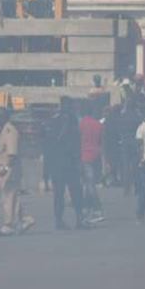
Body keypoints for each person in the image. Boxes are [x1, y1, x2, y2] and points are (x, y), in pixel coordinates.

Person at [46, 97, 87, 230]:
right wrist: (79, 161)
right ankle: (79, 219)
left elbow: (48, 144)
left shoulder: (53, 120)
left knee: (59, 194)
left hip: (57, 164)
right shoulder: (72, 120)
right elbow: (75, 143)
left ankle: (59, 221)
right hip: (70, 163)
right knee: (76, 192)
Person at [0, 107, 34, 235]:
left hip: (8, 170)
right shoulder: (6, 129)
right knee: (12, 197)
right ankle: (23, 220)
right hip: (6, 169)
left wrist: (5, 169)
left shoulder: (10, 131)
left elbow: (12, 153)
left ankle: (9, 224)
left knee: (9, 197)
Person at [79, 102, 105, 224]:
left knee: (89, 184)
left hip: (84, 155)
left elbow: (78, 140)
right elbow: (101, 141)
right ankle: (87, 208)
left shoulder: (80, 124)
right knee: (89, 182)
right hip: (96, 155)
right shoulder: (98, 124)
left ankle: (97, 209)